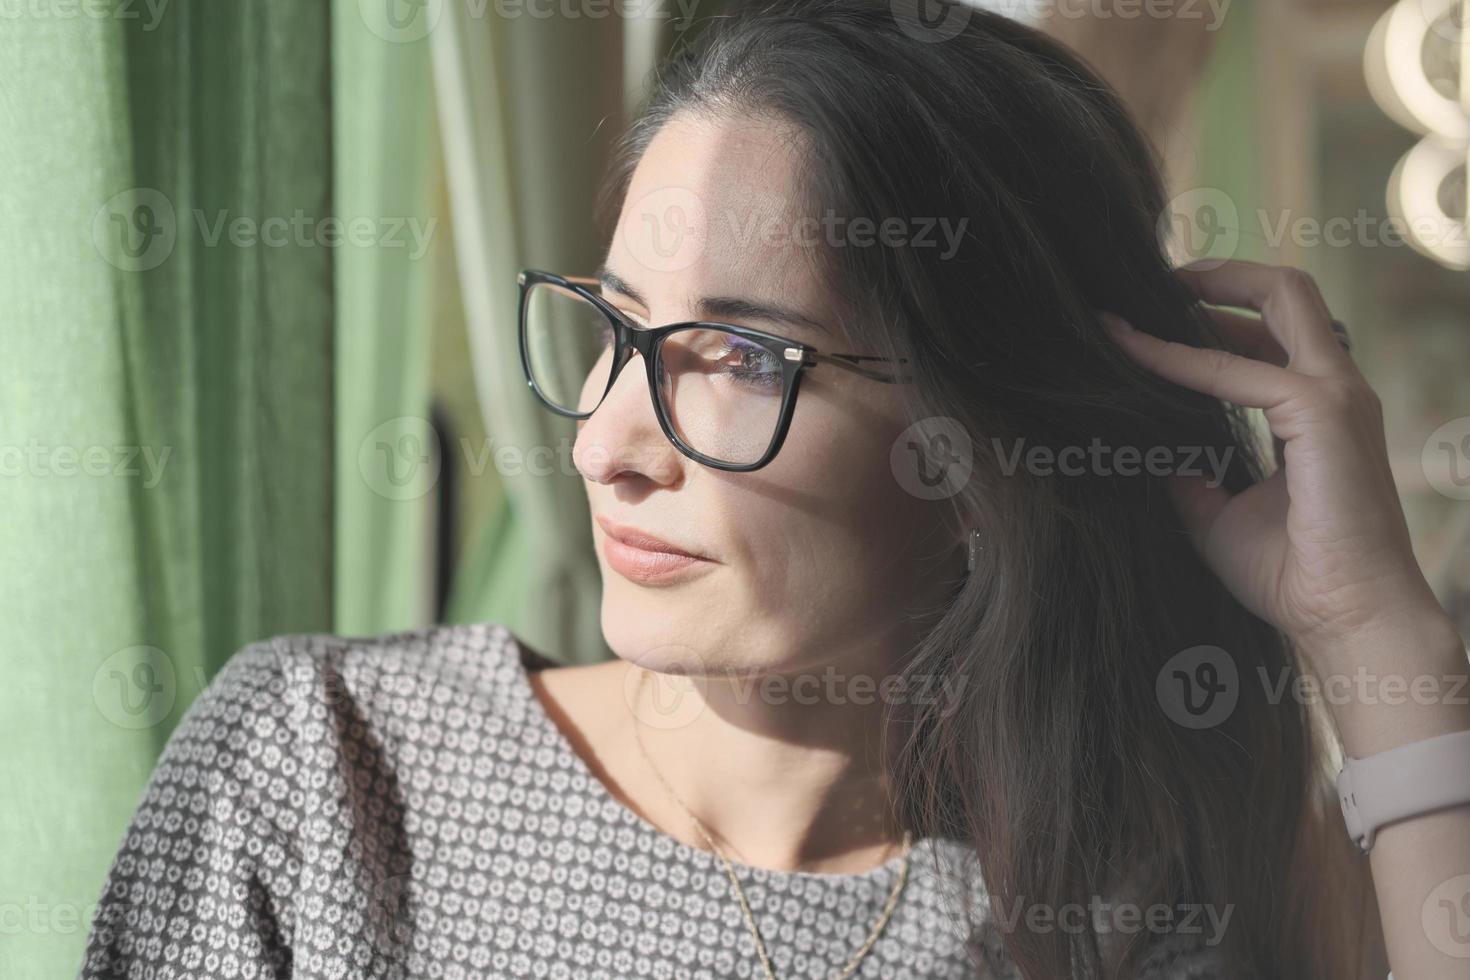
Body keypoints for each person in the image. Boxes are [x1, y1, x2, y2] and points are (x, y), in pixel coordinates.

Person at [79, 1, 1470, 978]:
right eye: (616, 328)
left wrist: (1376, 636)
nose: (606, 443)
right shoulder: (324, 775)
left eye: (738, 356)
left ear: (973, 458)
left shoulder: (1126, 908)